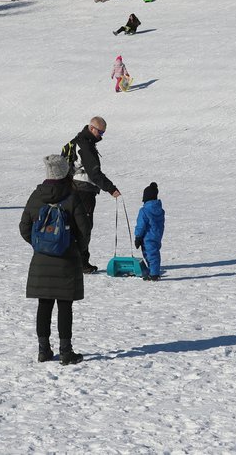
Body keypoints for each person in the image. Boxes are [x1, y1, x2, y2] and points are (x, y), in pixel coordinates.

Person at [19, 154, 91, 365]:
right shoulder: (72, 196)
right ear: (64, 173)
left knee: (44, 304)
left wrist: (40, 245)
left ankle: (43, 350)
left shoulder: (36, 196)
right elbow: (84, 230)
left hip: (41, 260)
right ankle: (66, 351)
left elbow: (24, 227)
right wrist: (76, 249)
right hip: (67, 259)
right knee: (65, 306)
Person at [61, 117, 121, 273]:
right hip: (83, 190)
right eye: (100, 132)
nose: (101, 136)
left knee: (74, 226)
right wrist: (111, 189)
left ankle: (71, 261)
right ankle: (81, 263)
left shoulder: (76, 141)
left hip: (72, 188)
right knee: (84, 227)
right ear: (92, 128)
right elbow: (94, 173)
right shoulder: (85, 145)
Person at [134, 182, 165, 281]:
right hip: (157, 235)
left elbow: (141, 225)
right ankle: (152, 271)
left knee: (150, 255)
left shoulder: (144, 211)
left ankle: (154, 274)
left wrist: (138, 237)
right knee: (154, 253)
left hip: (147, 237)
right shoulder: (160, 210)